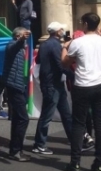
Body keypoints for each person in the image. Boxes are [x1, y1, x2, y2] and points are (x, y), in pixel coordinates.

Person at [62, 13, 101, 171]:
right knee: (100, 125)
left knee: (78, 124)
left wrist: (64, 48)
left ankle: (75, 162)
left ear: (85, 24)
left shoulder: (77, 42)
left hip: (83, 85)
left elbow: (65, 63)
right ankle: (99, 162)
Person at [33, 22, 73, 155]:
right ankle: (39, 144)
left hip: (51, 83)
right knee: (47, 115)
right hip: (53, 84)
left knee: (65, 114)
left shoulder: (44, 44)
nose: (63, 31)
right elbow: (60, 64)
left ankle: (75, 140)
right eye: (62, 29)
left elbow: (38, 61)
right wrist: (73, 76)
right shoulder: (55, 45)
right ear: (57, 32)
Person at [1, 27, 32, 162]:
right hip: (13, 85)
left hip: (17, 84)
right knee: (23, 118)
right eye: (24, 36)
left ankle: (15, 149)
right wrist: (21, 40)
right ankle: (16, 150)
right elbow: (14, 47)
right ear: (18, 36)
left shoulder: (19, 48)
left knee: (17, 118)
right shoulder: (12, 44)